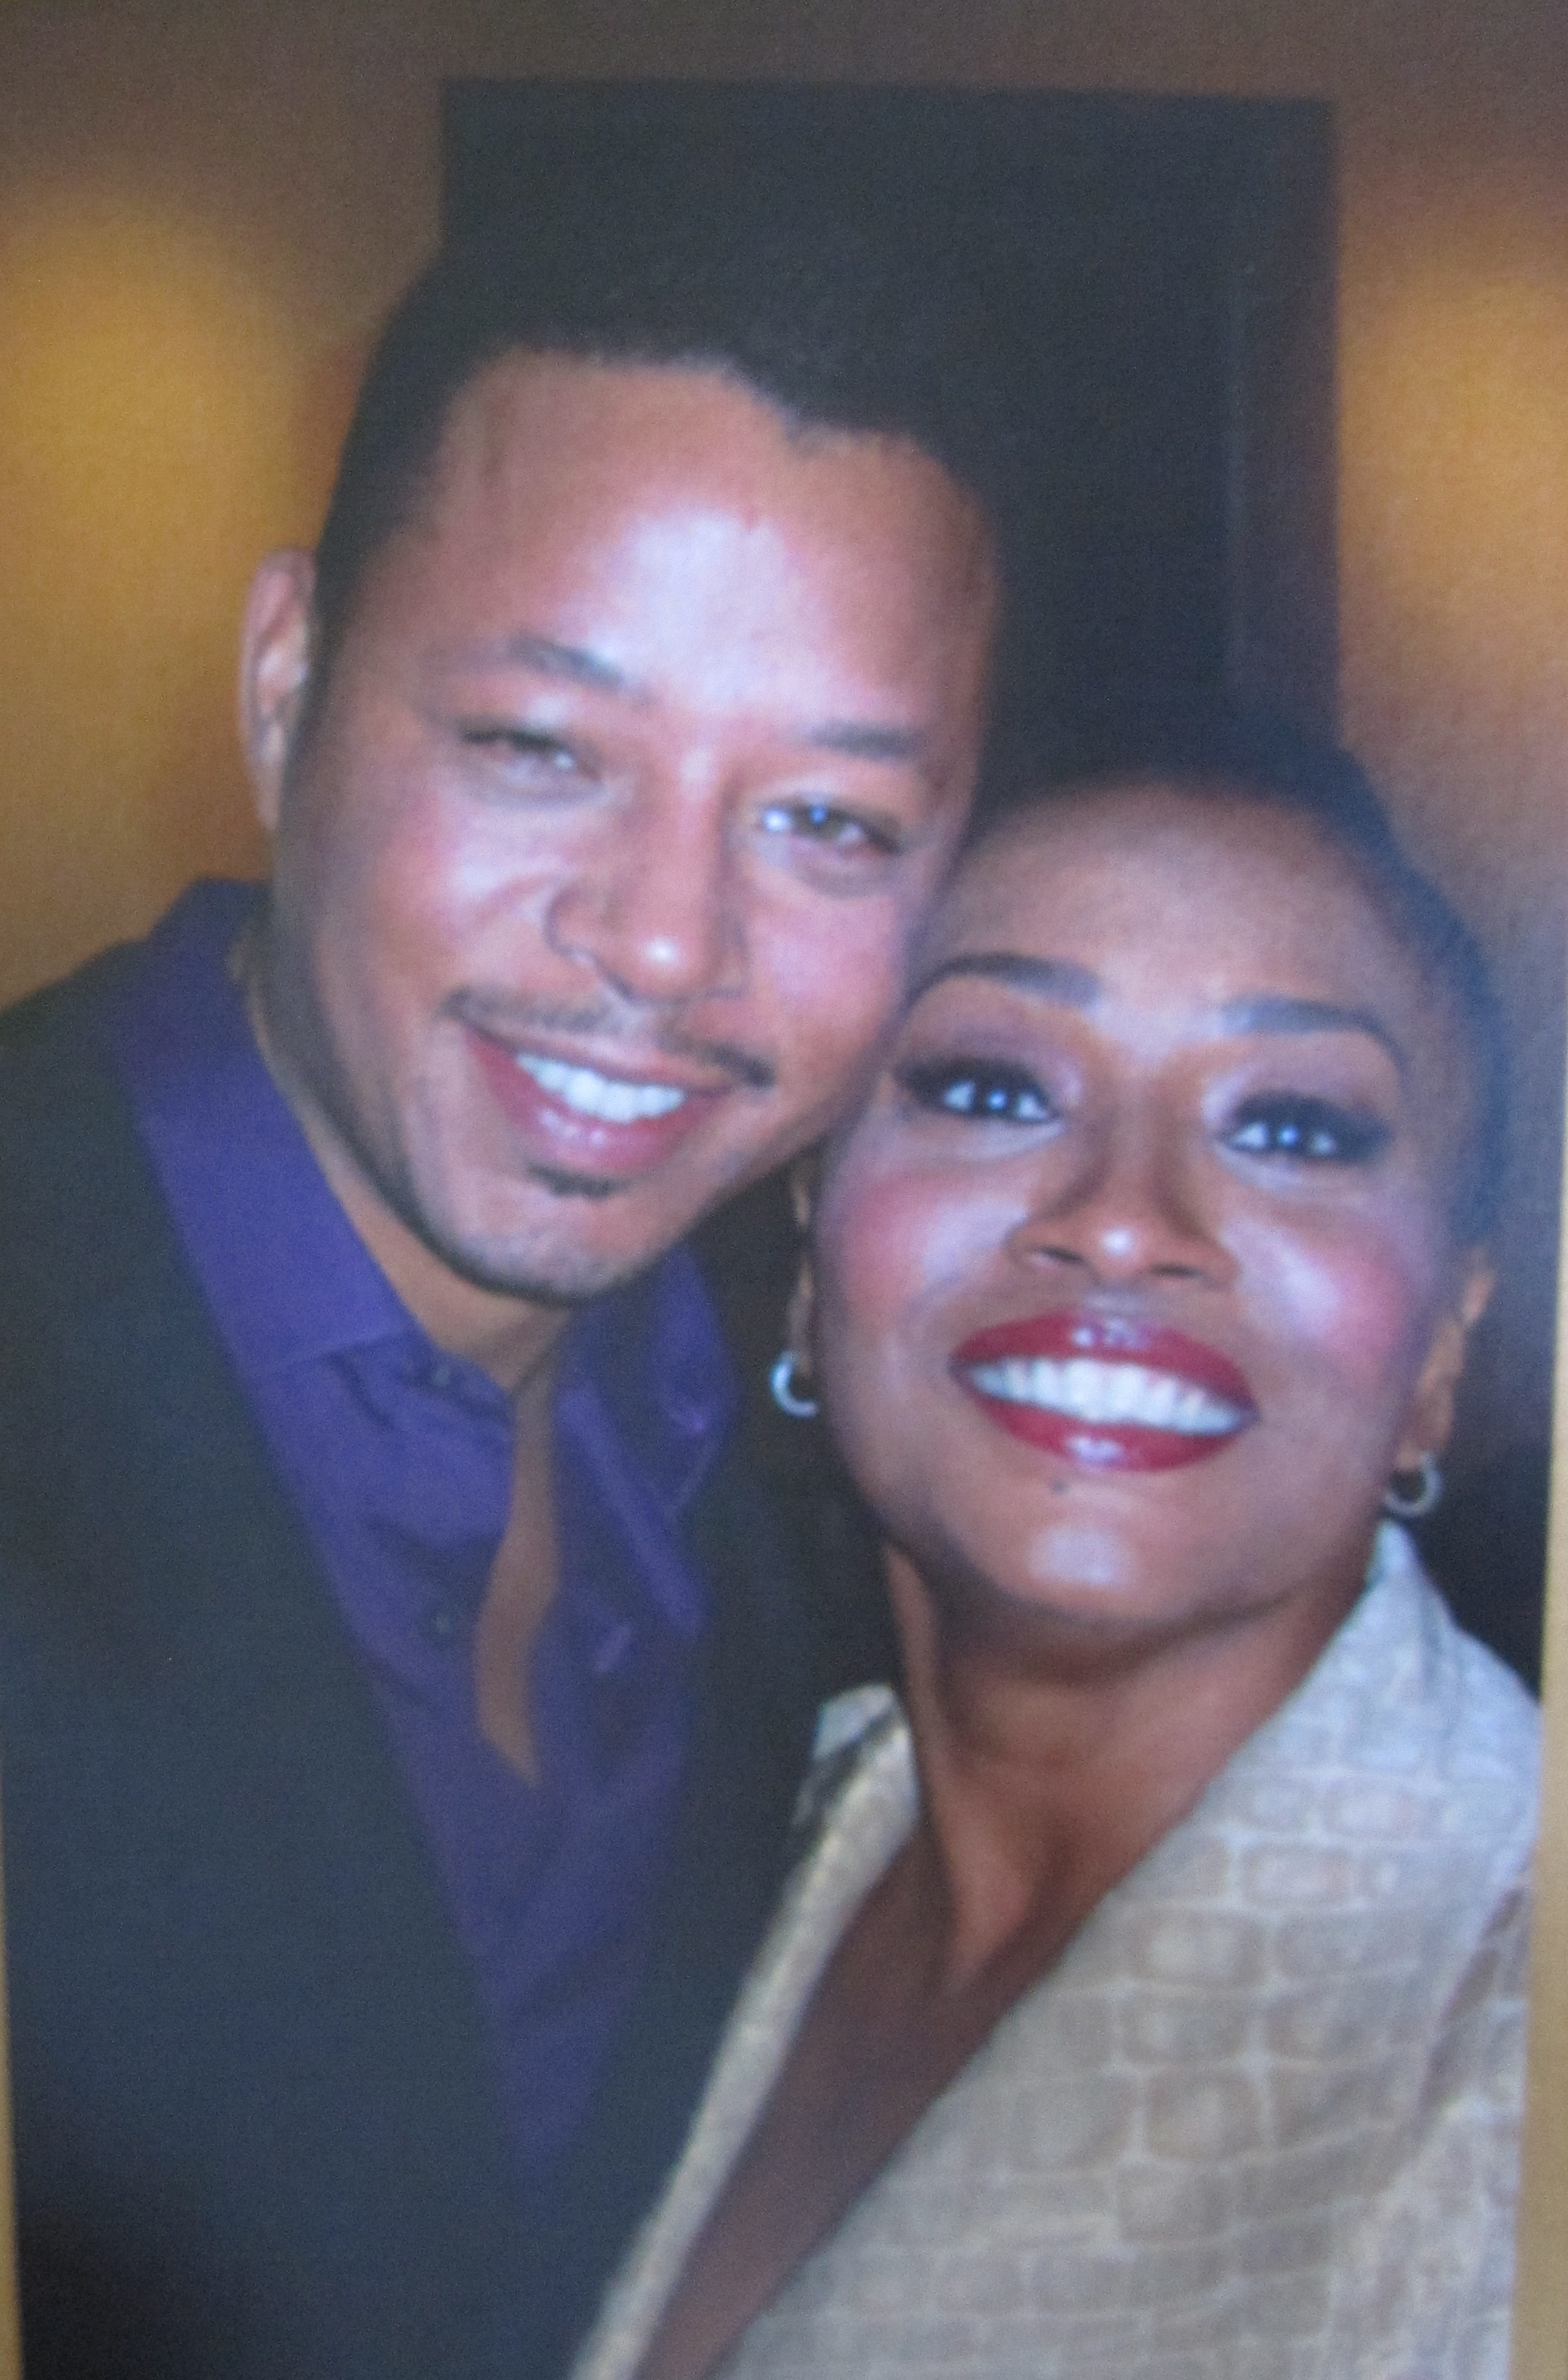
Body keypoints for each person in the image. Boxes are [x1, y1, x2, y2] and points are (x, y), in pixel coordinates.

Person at [0, 206, 1013, 2380]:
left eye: (826, 821)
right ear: (287, 690)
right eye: (541, 746)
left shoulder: (834, 1486)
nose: (665, 941)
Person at [570, 719, 1539, 2380]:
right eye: (991, 1084)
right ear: (812, 1254)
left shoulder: (1500, 2022)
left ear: (1439, 1359)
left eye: (1295, 1127)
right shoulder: (689, 1843)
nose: (1120, 1213)